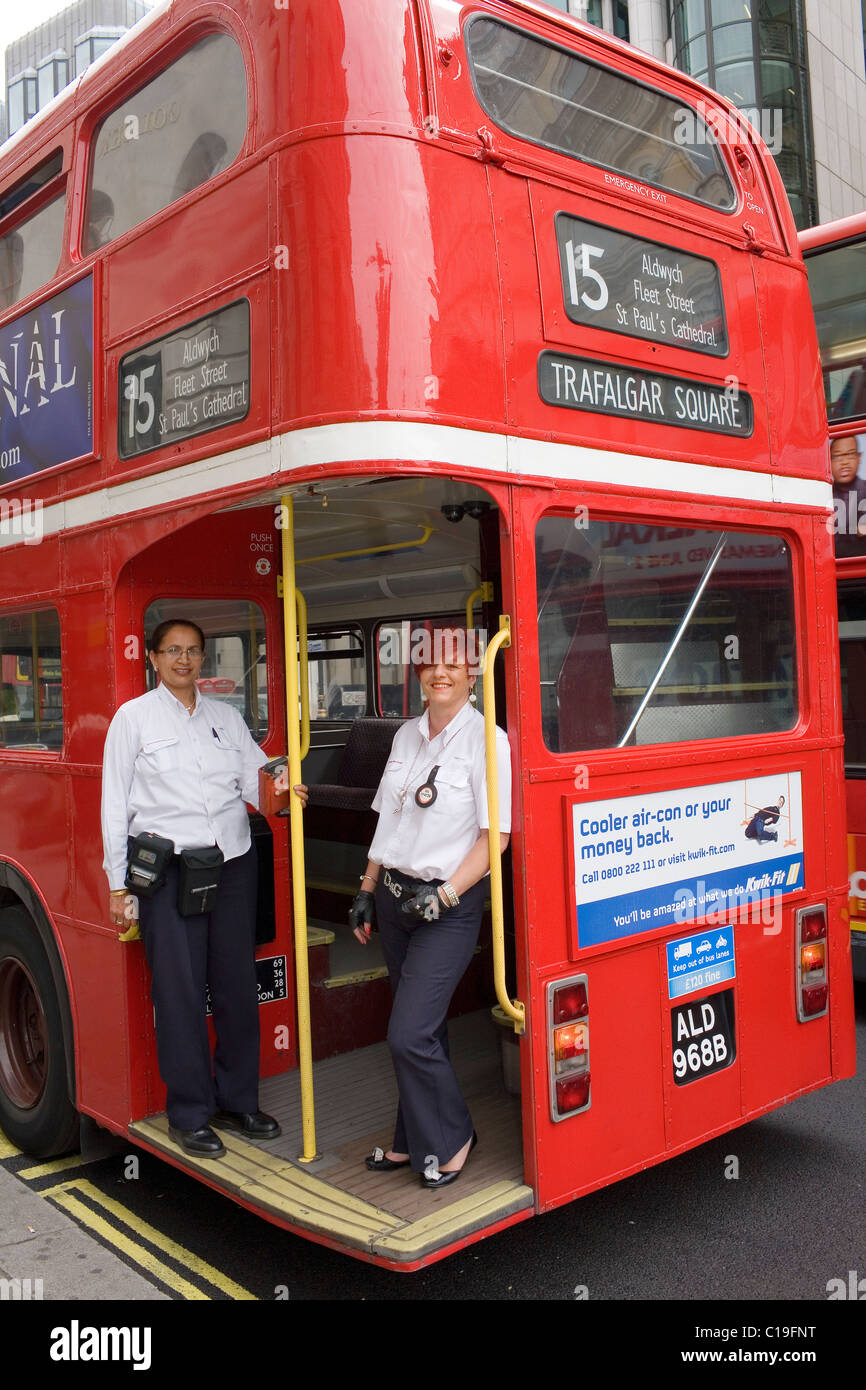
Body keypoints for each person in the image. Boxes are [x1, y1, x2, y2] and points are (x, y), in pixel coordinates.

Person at [101, 619, 303, 1159]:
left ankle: (238, 1100)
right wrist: (118, 884)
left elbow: (256, 779)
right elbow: (113, 806)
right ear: (152, 658)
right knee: (180, 992)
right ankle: (189, 1113)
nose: (184, 660)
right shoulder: (133, 719)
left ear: (203, 657)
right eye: (173, 651)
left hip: (232, 865)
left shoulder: (225, 717)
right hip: (168, 875)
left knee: (237, 984)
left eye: (193, 650)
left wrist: (284, 790)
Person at [347, 626, 512, 1189]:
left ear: (473, 673)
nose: (439, 673)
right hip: (395, 902)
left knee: (408, 1033)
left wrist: (443, 895)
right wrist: (367, 889)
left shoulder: (488, 741)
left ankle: (453, 1138)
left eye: (453, 665)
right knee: (423, 1028)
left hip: (447, 906)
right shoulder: (405, 738)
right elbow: (387, 821)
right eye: (428, 665)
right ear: (417, 674)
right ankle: (410, 1141)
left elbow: (497, 838)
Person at [830, 435, 866, 557]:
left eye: (850, 454)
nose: (844, 462)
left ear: (859, 457)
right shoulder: (821, 496)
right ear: (828, 461)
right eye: (838, 456)